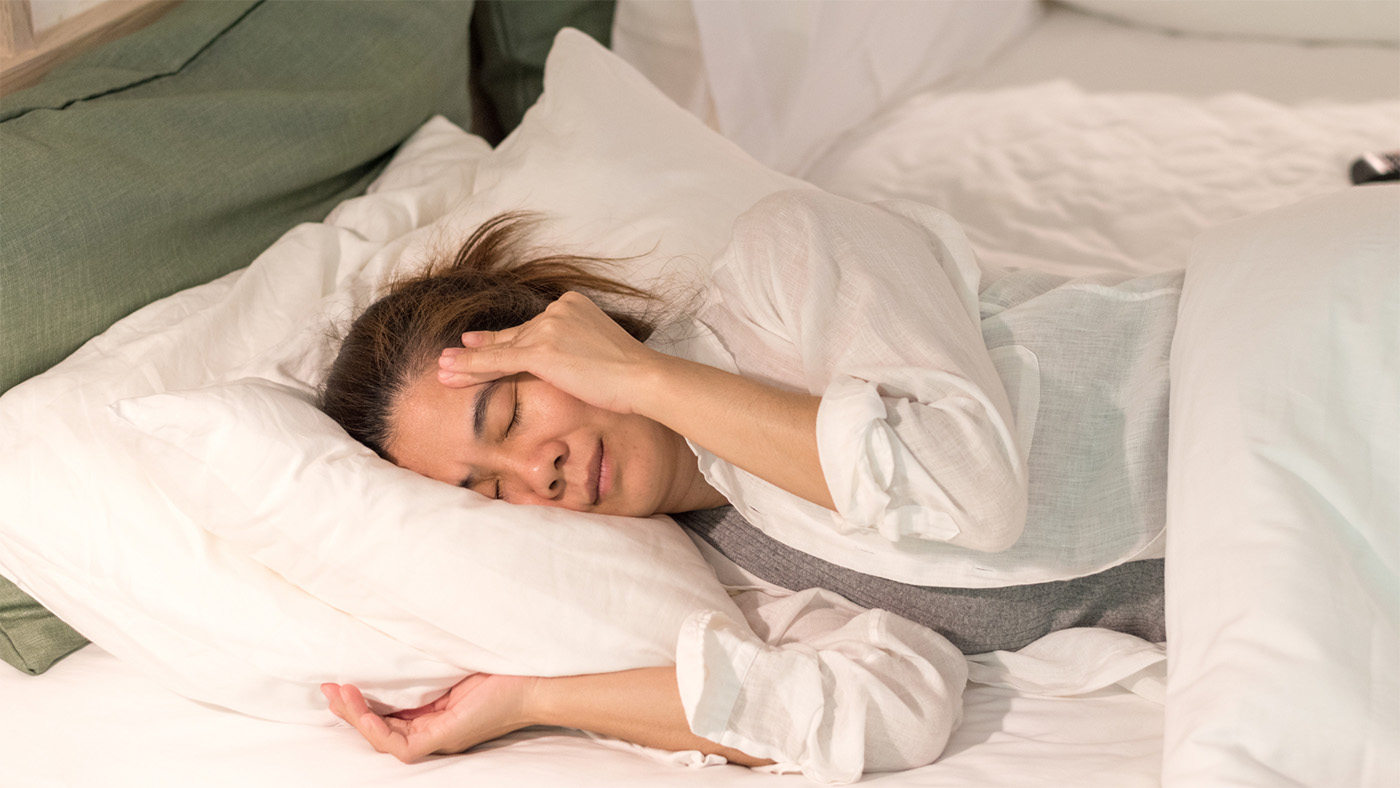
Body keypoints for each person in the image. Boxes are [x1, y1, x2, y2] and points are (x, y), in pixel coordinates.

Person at [317, 189, 1175, 781]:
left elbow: (969, 486)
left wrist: (644, 379)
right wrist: (530, 699)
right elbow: (893, 706)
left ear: (553, 331)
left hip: (1261, 396)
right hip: (1266, 568)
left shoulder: (785, 266)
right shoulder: (725, 567)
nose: (534, 473)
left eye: (507, 420)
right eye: (491, 493)